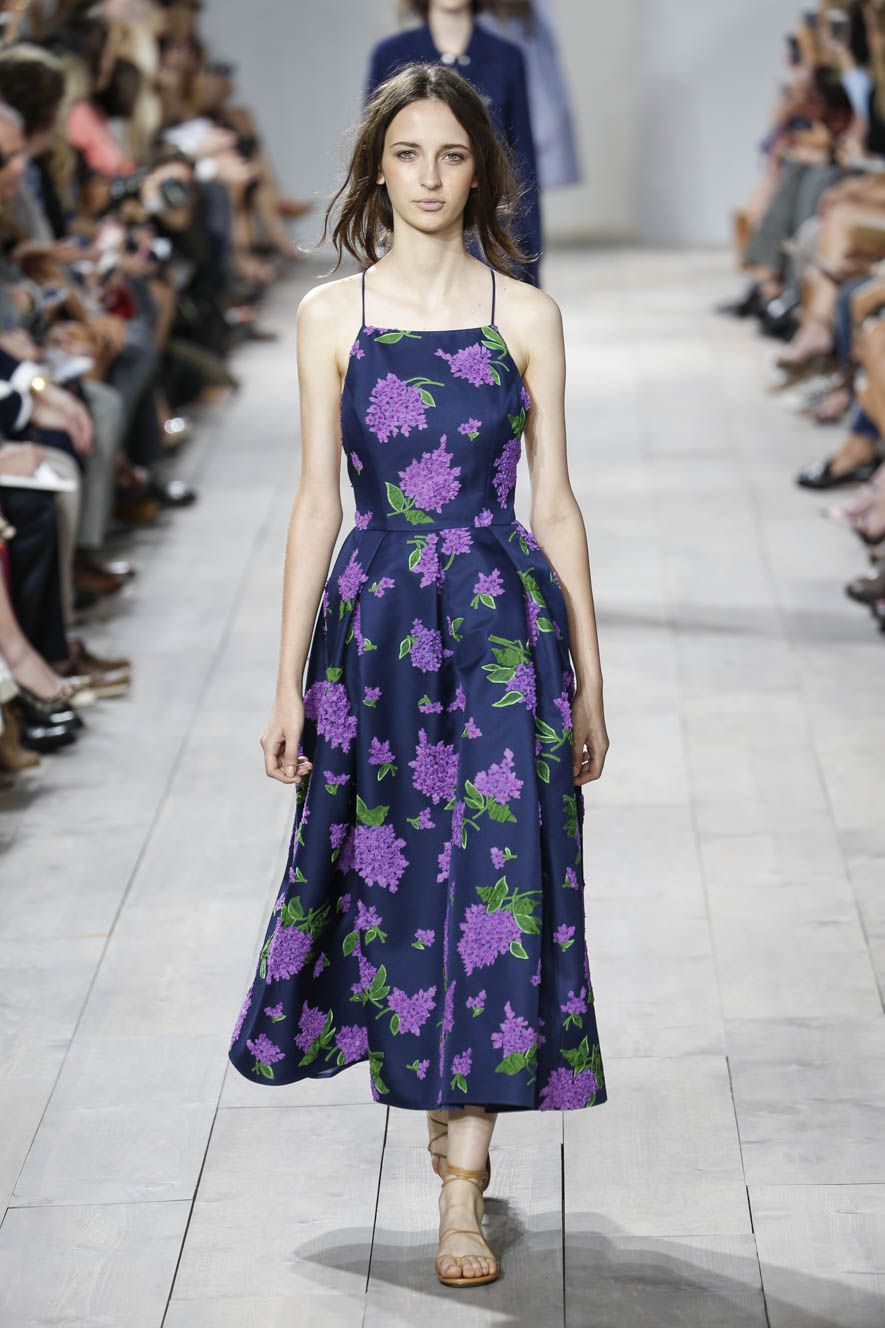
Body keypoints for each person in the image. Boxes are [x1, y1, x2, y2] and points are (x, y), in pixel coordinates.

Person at [228, 61, 609, 1288]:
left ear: (480, 170)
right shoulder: (329, 316)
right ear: (377, 169)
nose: (431, 177)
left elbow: (556, 503)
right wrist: (285, 681)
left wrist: (591, 677)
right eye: (408, 155)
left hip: (503, 627)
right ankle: (444, 1097)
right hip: (378, 630)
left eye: (452, 155)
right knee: (395, 875)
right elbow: (314, 504)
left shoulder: (526, 315)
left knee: (502, 872)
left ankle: (463, 1182)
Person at [366, 0, 542, 285]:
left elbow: (522, 164)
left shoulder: (507, 57)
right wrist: (372, 253)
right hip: (410, 244)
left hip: (493, 235)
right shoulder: (390, 55)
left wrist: (531, 265)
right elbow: (376, 150)